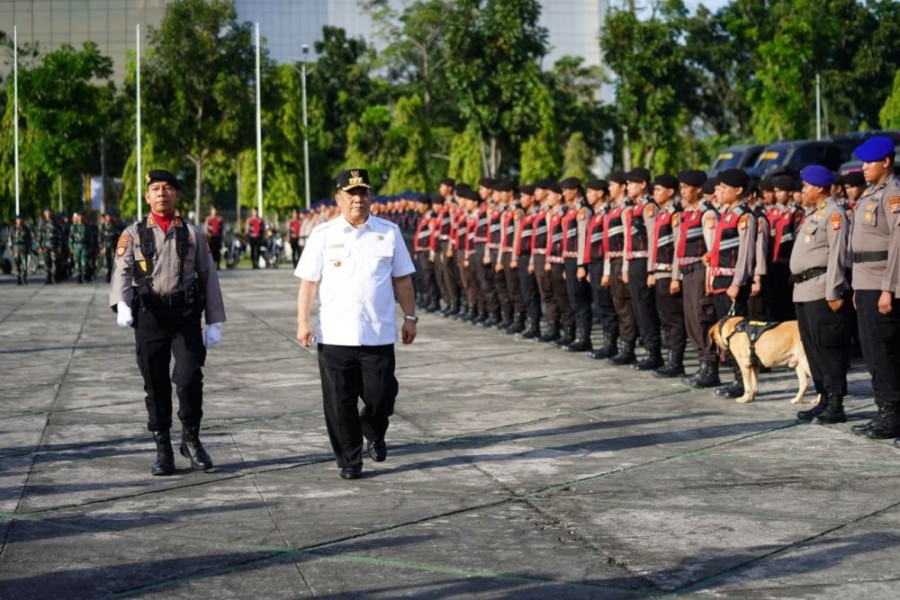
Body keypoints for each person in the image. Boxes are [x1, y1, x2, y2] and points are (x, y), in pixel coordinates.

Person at [295, 168, 417, 480]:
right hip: (335, 334)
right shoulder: (323, 235)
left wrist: (411, 317)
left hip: (378, 334)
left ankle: (373, 429)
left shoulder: (388, 232)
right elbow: (308, 283)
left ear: (371, 196)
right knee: (339, 403)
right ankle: (349, 460)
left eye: (363, 192)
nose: (358, 199)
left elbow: (402, 279)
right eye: (351, 194)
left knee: (382, 396)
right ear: (339, 198)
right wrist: (302, 321)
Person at [110, 170, 226, 476]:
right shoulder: (133, 233)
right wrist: (121, 303)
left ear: (176, 195)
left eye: (168, 188)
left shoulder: (191, 233)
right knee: (155, 383)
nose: (162, 193)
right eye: (156, 189)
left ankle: (191, 438)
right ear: (147, 196)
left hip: (185, 316)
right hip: (149, 316)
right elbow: (122, 269)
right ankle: (163, 446)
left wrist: (214, 320)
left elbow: (208, 275)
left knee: (189, 377)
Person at [847, 137, 900, 445]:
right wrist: (857, 285)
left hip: (882, 281)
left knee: (885, 349)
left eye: (869, 162)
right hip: (865, 282)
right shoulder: (871, 193)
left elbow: (896, 243)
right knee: (871, 350)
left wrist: (888, 288)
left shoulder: (893, 194)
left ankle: (893, 412)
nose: (863, 168)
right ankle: (884, 408)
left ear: (886, 163)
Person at [790, 165, 851, 424]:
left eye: (806, 186)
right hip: (803, 290)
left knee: (828, 347)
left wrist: (834, 290)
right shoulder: (814, 214)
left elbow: (838, 254)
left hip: (822, 288)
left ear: (820, 188)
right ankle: (823, 398)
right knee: (813, 348)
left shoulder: (834, 214)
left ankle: (836, 403)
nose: (802, 190)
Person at [8, 215, 32, 285]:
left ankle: (24, 279)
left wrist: (29, 249)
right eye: (18, 219)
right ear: (16, 220)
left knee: (24, 265)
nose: (19, 221)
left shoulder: (26, 229)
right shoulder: (13, 228)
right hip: (16, 248)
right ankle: (18, 279)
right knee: (17, 265)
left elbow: (29, 240)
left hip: (24, 248)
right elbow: (10, 239)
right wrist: (10, 249)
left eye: (21, 219)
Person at [204, 206, 225, 270]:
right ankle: (211, 265)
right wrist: (206, 236)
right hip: (211, 237)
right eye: (213, 210)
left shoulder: (220, 219)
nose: (214, 212)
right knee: (211, 251)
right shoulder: (208, 219)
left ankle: (218, 265)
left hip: (218, 237)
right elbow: (206, 228)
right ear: (211, 211)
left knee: (218, 251)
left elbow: (223, 228)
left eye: (215, 210)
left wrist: (223, 236)